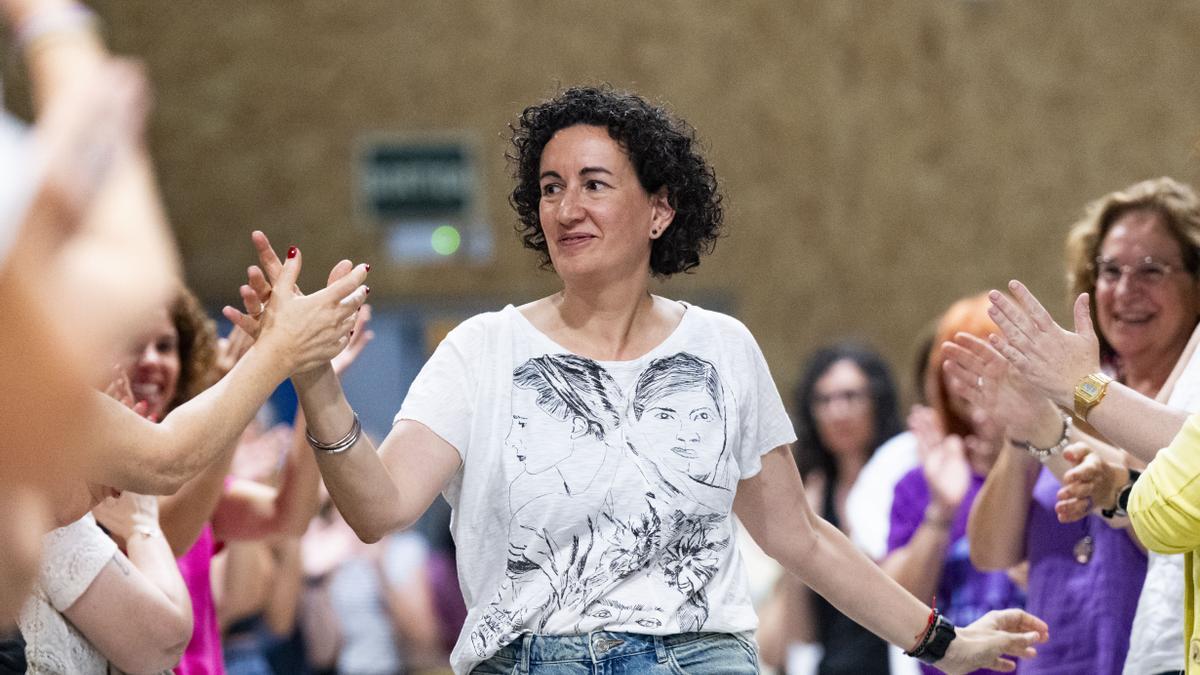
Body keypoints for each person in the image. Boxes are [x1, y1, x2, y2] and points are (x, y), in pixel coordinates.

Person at [240, 86, 1047, 675]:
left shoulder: (723, 349)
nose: (566, 207)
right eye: (550, 188)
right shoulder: (482, 350)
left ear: (659, 210)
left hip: (699, 658)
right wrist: (314, 379)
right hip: (527, 660)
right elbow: (378, 508)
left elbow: (800, 537)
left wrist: (943, 639)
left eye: (594, 183)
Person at [948, 177, 1200, 675]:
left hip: (1145, 651)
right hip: (1057, 655)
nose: (1127, 291)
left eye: (1152, 270)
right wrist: (1023, 432)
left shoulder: (1170, 389)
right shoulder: (1075, 388)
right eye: (1110, 270)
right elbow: (991, 551)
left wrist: (1052, 429)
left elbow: (1159, 504)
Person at [880, 295, 1026, 675]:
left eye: (986, 361)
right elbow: (894, 607)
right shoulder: (922, 481)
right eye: (958, 365)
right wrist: (940, 513)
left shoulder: (1051, 472)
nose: (972, 379)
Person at [758, 343, 903, 674]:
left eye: (851, 397)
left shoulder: (904, 477)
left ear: (877, 402)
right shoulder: (812, 490)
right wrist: (798, 538)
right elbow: (793, 639)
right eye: (823, 400)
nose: (837, 412)